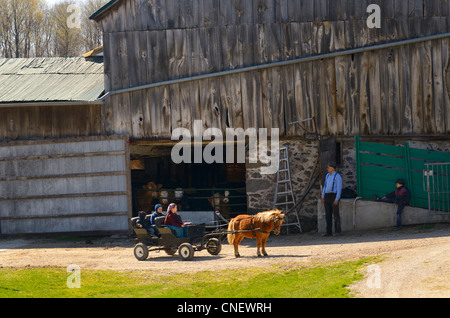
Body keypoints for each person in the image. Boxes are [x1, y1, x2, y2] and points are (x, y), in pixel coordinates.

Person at [321, 162, 343, 236]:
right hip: (327, 195)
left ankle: (338, 231)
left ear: (332, 168)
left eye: (328, 167)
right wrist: (323, 196)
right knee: (328, 214)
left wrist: (337, 199)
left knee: (336, 214)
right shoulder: (327, 176)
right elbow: (325, 186)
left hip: (333, 195)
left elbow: (339, 188)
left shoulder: (337, 176)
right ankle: (329, 231)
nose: (327, 168)